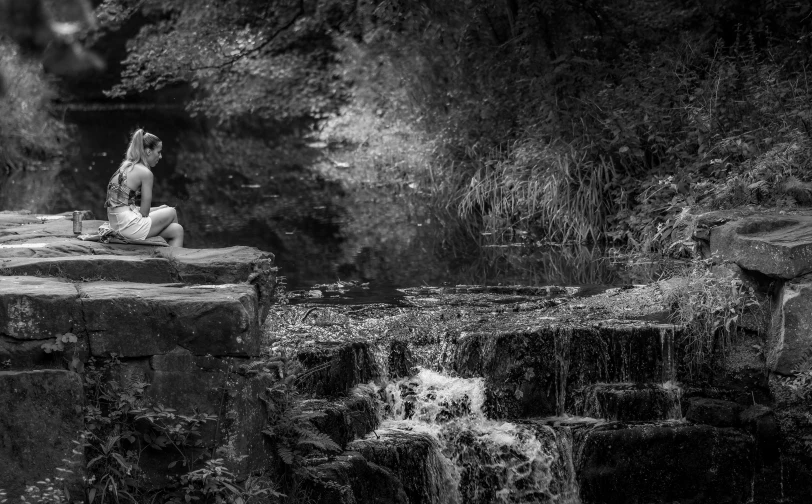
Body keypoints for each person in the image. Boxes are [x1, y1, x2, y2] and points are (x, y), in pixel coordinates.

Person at [104, 128, 184, 247]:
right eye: (158, 152)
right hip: (128, 227)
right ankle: (173, 260)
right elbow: (144, 213)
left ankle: (170, 259)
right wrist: (158, 211)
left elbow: (128, 208)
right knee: (171, 212)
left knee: (177, 230)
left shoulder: (125, 167)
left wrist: (158, 209)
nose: (160, 156)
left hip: (118, 224)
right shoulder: (145, 173)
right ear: (148, 152)